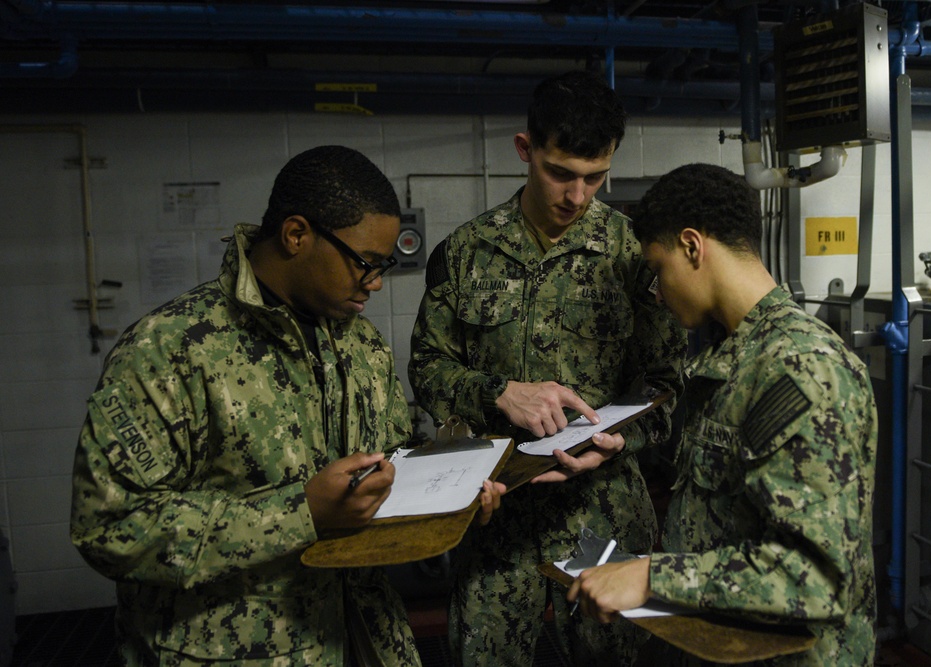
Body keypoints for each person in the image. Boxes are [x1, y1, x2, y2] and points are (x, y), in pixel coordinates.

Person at [70, 145, 503, 666]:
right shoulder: (171, 349)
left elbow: (388, 464)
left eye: (384, 264)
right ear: (297, 235)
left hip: (365, 640)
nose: (377, 281)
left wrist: (447, 498)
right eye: (365, 263)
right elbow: (110, 529)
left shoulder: (359, 344)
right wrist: (301, 513)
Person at [409, 70, 687, 666]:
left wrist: (620, 441)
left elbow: (667, 384)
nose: (577, 196)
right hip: (494, 513)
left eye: (595, 177)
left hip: (604, 512)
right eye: (560, 173)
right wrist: (496, 392)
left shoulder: (633, 254)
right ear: (524, 150)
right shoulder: (464, 254)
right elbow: (427, 369)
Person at [567, 163, 878, 666]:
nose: (659, 293)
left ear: (692, 246)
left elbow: (813, 579)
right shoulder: (736, 359)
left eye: (659, 270)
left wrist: (651, 576)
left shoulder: (800, 369)